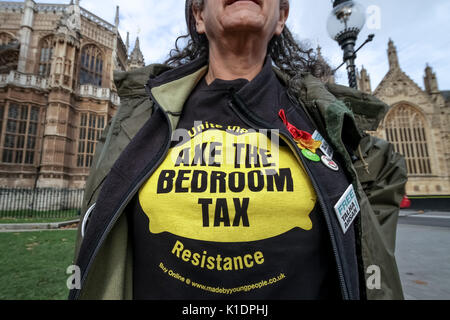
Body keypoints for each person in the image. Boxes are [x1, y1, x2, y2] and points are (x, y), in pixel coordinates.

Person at [69, 0, 407, 300]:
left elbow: (381, 184)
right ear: (199, 15)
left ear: (281, 17)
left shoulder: (320, 119)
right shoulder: (142, 118)